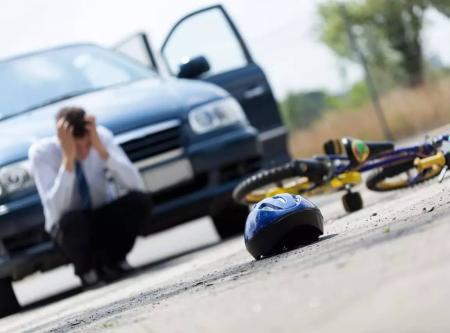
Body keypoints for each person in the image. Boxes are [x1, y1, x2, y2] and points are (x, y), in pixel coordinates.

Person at [29, 106, 151, 287]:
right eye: (77, 146)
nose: (84, 152)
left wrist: (102, 151)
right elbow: (56, 210)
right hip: (69, 229)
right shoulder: (42, 154)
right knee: (73, 221)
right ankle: (87, 271)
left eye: (87, 145)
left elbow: (136, 185)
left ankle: (115, 260)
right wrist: (68, 160)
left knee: (139, 202)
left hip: (101, 217)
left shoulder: (99, 136)